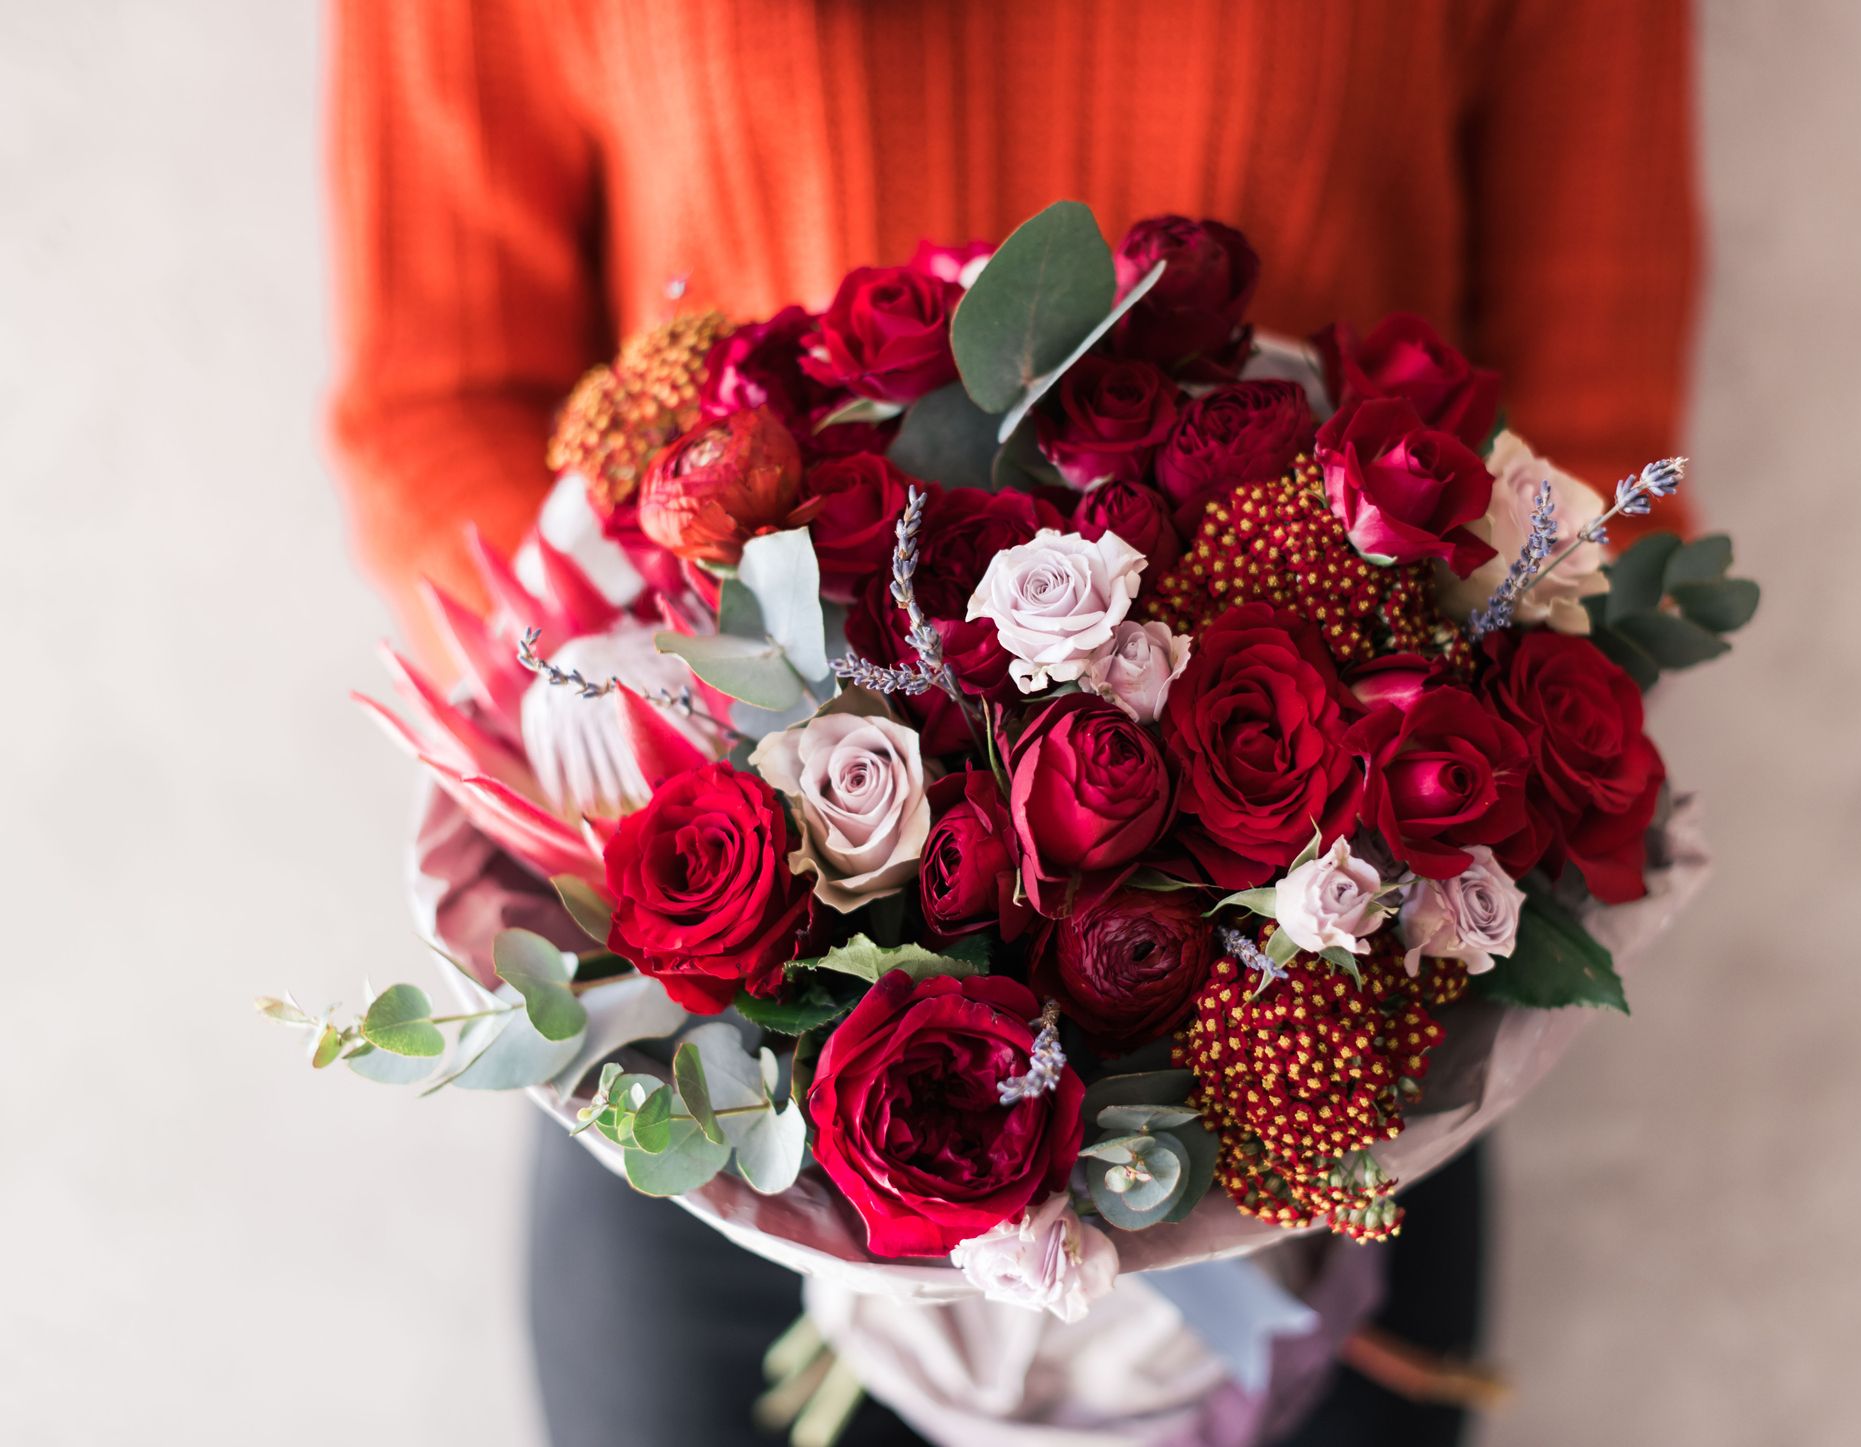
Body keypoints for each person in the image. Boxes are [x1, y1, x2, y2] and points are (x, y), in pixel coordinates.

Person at [326, 4, 1697, 1443]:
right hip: (712, 1098)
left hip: (1335, 1087)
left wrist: (1266, 964)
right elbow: (437, 403)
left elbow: (1589, 417)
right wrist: (636, 705)